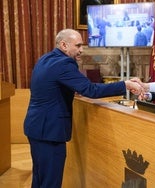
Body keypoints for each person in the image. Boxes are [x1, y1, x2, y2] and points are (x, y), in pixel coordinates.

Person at [24, 29, 142, 188]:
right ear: (64, 45)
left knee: (39, 178)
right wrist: (125, 84)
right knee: (50, 182)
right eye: (78, 45)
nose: (81, 50)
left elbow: (57, 87)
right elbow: (91, 90)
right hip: (50, 132)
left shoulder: (45, 59)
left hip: (36, 127)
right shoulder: (64, 63)